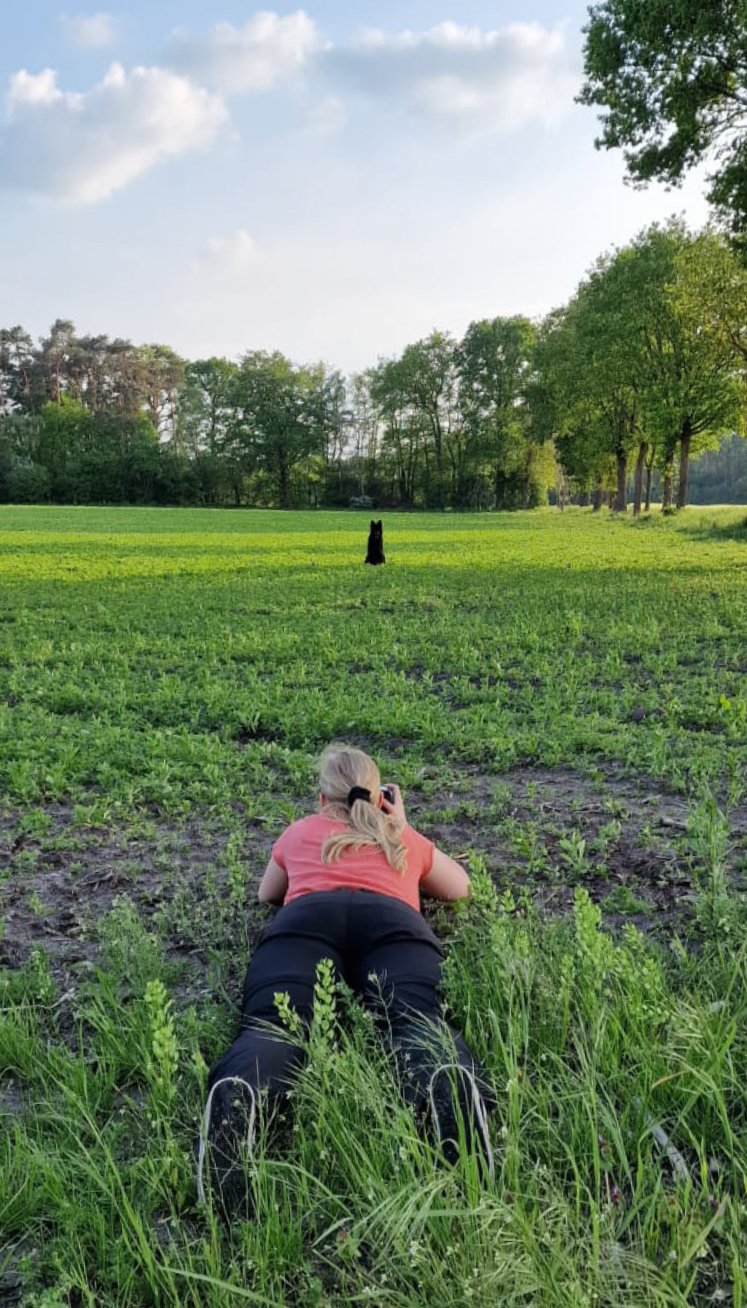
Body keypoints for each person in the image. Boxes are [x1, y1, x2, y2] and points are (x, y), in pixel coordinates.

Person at [198, 745, 495, 1216]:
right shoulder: (398, 835)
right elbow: (462, 888)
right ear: (381, 797)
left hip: (305, 922)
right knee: (416, 1021)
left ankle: (244, 1091)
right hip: (394, 925)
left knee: (274, 1026)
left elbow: (266, 893)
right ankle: (444, 1080)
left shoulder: (300, 831)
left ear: (321, 798)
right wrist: (401, 825)